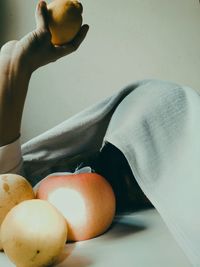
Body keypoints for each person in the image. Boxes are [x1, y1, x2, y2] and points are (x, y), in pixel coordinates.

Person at [0, 2, 200, 265]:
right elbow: (10, 193)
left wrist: (16, 69)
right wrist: (17, 68)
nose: (133, 180)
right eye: (127, 163)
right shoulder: (62, 190)